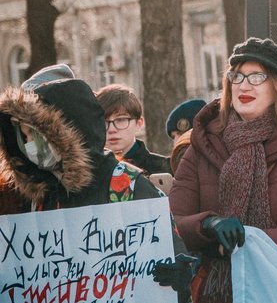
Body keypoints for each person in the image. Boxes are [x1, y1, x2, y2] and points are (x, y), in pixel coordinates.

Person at [170, 37, 277, 303]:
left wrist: (245, 237)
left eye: (257, 77)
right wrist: (209, 224)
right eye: (237, 76)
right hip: (210, 290)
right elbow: (174, 220)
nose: (244, 85)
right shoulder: (202, 145)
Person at [0, 64, 168, 210]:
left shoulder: (126, 184)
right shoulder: (37, 193)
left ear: (64, 132)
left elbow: (162, 242)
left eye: (35, 134)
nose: (29, 143)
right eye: (23, 136)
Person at [96, 83, 171, 175]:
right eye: (104, 122)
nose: (112, 129)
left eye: (121, 120)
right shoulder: (86, 173)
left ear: (139, 123)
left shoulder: (165, 168)